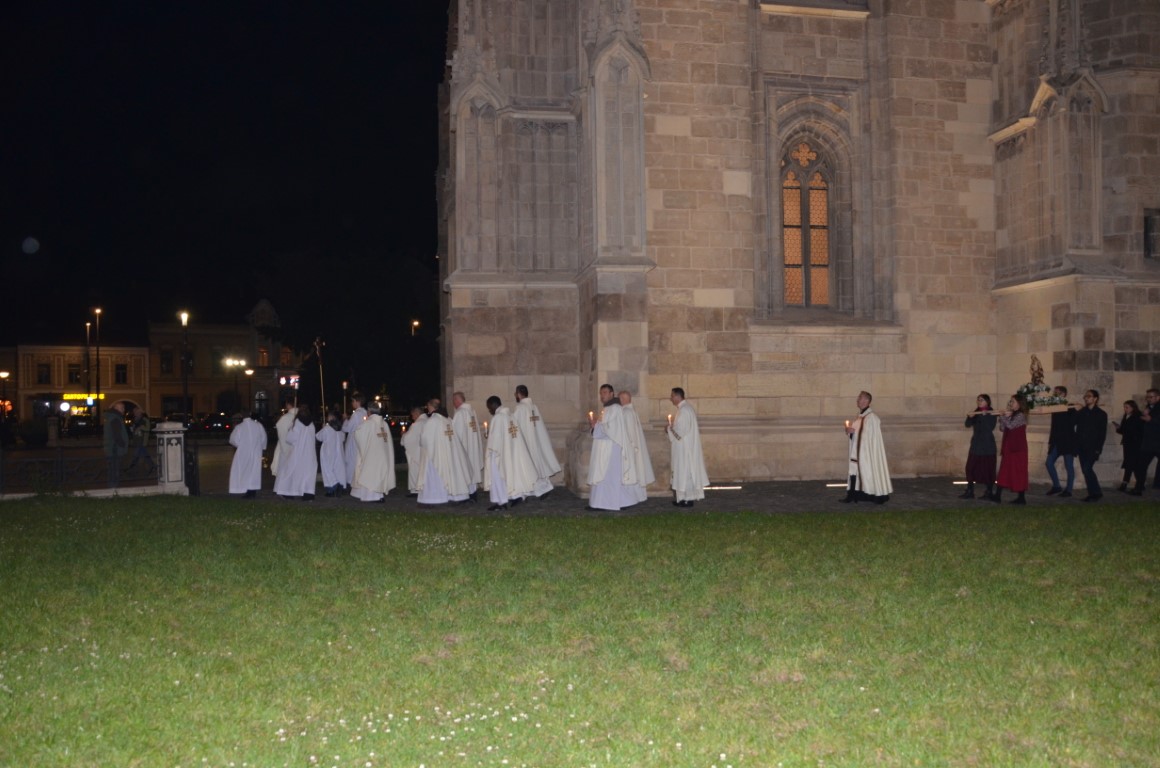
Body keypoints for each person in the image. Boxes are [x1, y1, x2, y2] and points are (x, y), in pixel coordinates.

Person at [586, 384, 638, 511]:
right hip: (605, 448)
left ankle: (603, 503)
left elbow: (611, 429)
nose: (602, 395)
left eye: (604, 392)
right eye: (601, 393)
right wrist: (595, 426)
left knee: (607, 476)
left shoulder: (615, 408)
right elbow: (605, 427)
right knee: (607, 476)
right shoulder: (607, 409)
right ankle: (622, 501)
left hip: (611, 449)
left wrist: (596, 426)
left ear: (611, 394)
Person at [482, 395, 538, 510]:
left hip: (499, 454)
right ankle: (515, 496)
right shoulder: (511, 416)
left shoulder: (498, 418)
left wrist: (490, 453)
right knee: (511, 474)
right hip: (511, 452)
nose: (489, 410)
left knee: (498, 476)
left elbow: (495, 441)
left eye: (489, 407)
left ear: (493, 405)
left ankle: (501, 502)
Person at [841, 390, 892, 504]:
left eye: (860, 398)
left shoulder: (872, 418)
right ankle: (851, 496)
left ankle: (874, 496)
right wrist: (850, 432)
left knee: (866, 473)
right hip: (857, 453)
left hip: (867, 454)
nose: (858, 400)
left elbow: (870, 437)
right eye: (859, 398)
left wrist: (854, 433)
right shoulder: (860, 417)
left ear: (866, 401)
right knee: (854, 472)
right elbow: (857, 434)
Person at [417, 401, 473, 505]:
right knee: (451, 474)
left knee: (436, 474)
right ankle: (454, 496)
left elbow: (425, 438)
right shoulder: (448, 419)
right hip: (450, 452)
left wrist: (421, 441)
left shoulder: (433, 420)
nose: (427, 408)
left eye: (428, 406)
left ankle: (435, 498)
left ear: (431, 407)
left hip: (436, 454)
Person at [513, 384, 561, 497]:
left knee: (530, 466)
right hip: (536, 441)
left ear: (518, 394)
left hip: (526, 442)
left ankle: (540, 489)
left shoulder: (520, 408)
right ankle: (544, 487)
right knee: (538, 464)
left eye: (516, 393)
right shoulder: (534, 407)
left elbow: (513, 423)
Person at [666, 387, 709, 508]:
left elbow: (680, 432)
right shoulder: (684, 409)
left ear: (678, 396)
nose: (671, 398)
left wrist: (669, 428)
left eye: (672, 396)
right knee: (682, 473)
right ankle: (682, 498)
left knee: (685, 473)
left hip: (684, 450)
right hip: (683, 448)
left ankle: (687, 499)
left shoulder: (684, 411)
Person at [351, 403, 396, 502]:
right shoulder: (384, 424)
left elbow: (358, 435)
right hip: (383, 455)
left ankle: (371, 497)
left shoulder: (368, 423)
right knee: (378, 475)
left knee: (370, 474)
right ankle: (379, 496)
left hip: (371, 456)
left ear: (369, 412)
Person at [272, 404, 318, 500]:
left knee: (291, 471)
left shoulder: (298, 422)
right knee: (308, 474)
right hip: (309, 454)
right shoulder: (311, 424)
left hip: (298, 452)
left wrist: (290, 430)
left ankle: (289, 492)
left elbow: (290, 438)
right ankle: (308, 494)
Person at [619, 389, 655, 503]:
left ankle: (630, 498)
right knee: (634, 472)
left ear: (623, 399)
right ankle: (635, 497)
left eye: (619, 398)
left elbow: (629, 433)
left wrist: (628, 447)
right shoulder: (630, 411)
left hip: (629, 448)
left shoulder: (627, 412)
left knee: (630, 473)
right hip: (631, 447)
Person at [992, 394, 1028, 504]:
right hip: (1009, 448)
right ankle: (997, 496)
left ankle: (1021, 498)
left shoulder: (1021, 415)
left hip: (1018, 449)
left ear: (1019, 403)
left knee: (1018, 472)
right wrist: (1005, 417)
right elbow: (1003, 428)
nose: (1010, 403)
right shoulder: (1013, 414)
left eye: (1013, 401)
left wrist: (1003, 416)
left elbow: (1011, 426)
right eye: (1011, 401)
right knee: (1004, 471)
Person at [961, 394, 997, 499]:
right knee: (970, 467)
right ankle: (970, 491)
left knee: (988, 469)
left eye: (981, 400)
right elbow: (967, 424)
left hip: (987, 445)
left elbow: (990, 427)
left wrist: (984, 416)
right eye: (978, 400)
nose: (979, 402)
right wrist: (970, 417)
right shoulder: (976, 412)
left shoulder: (992, 412)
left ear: (987, 401)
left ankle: (989, 492)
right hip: (976, 445)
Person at [1074, 389, 1108, 502]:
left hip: (1093, 448)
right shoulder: (1082, 412)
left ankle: (1095, 493)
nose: (1086, 398)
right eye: (1085, 396)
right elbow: (1073, 423)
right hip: (1081, 447)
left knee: (1087, 469)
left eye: (1089, 396)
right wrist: (1077, 411)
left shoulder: (1101, 414)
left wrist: (1098, 449)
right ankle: (1095, 493)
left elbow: (1102, 434)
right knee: (1086, 470)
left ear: (1095, 398)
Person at [1044, 385, 1078, 497]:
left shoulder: (1070, 407)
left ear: (1063, 394)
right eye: (1054, 393)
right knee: (1049, 463)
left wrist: (1073, 409)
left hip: (1068, 441)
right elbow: (1054, 426)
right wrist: (1050, 442)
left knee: (1069, 466)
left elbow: (1073, 423)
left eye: (1057, 393)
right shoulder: (1055, 408)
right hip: (1056, 441)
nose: (1054, 395)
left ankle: (1069, 490)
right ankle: (1056, 486)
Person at [228, 410, 267, 497]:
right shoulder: (258, 425)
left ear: (241, 416)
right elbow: (263, 438)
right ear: (250, 414)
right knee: (254, 470)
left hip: (243, 452)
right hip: (256, 451)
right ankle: (252, 489)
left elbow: (233, 440)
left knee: (243, 470)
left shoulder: (239, 427)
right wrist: (262, 448)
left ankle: (243, 488)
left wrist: (240, 445)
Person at [451, 392, 485, 492]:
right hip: (472, 446)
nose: (453, 403)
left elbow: (457, 433)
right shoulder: (471, 412)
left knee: (465, 468)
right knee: (472, 467)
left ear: (457, 400)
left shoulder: (460, 413)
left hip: (464, 447)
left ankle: (466, 493)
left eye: (454, 400)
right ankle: (472, 493)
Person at [1131, 388, 1160, 495]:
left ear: (1158, 397)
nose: (1148, 399)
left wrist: (1150, 419)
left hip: (1158, 442)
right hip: (1148, 443)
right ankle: (1139, 488)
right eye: (1147, 397)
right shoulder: (1148, 408)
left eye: (1151, 397)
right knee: (1140, 465)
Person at [1113, 400, 1143, 493]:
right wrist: (1118, 428)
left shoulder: (1138, 416)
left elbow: (1135, 430)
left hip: (1135, 444)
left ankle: (1128, 484)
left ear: (1133, 407)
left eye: (1127, 407)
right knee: (1130, 464)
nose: (1125, 409)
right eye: (1124, 407)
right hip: (1127, 443)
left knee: (1131, 464)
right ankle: (1138, 484)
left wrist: (1123, 429)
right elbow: (1123, 430)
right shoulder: (1126, 416)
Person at [316, 410, 346, 496]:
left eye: (329, 416)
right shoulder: (340, 430)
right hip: (338, 452)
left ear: (332, 417)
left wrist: (323, 428)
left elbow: (318, 437)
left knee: (327, 469)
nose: (327, 418)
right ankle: (340, 486)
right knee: (338, 470)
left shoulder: (327, 429)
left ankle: (333, 487)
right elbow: (343, 438)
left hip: (328, 452)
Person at [341, 392, 367, 489]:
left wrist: (345, 420)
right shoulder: (365, 413)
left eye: (353, 401)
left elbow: (347, 428)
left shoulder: (356, 414)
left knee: (350, 461)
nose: (352, 403)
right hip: (362, 440)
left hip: (353, 441)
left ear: (357, 402)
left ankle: (349, 483)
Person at [400, 405, 426, 496]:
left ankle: (416, 490)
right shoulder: (427, 421)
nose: (412, 417)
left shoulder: (417, 424)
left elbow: (408, 438)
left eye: (413, 415)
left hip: (416, 451)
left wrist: (403, 435)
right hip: (424, 451)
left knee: (415, 470)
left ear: (417, 413)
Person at [102, 400, 128, 488]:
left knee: (112, 469)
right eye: (122, 408)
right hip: (115, 449)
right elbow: (117, 434)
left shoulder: (111, 417)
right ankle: (113, 489)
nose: (124, 410)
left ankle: (112, 487)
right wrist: (123, 444)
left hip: (111, 448)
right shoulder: (115, 418)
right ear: (117, 408)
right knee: (114, 470)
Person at [269, 398, 298, 478]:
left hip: (285, 446)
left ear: (288, 405)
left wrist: (285, 448)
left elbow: (281, 432)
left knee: (284, 471)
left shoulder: (285, 418)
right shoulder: (302, 417)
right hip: (298, 447)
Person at [127, 406, 155, 474]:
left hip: (142, 440)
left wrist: (140, 427)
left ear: (140, 412)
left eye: (136, 412)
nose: (135, 413)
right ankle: (152, 466)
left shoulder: (145, 420)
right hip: (137, 440)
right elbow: (134, 429)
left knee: (136, 455)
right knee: (144, 454)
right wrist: (132, 430)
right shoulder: (135, 419)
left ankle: (131, 468)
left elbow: (148, 428)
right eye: (134, 412)